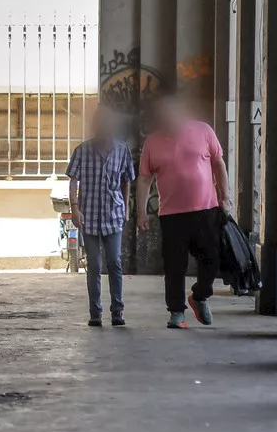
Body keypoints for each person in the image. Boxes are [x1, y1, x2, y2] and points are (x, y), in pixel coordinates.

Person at [136, 95, 233, 329]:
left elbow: (218, 164)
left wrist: (226, 197)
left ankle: (199, 296)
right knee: (174, 265)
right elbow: (144, 179)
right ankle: (177, 312)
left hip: (206, 210)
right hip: (172, 215)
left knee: (212, 259)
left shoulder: (204, 131)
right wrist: (141, 212)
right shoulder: (153, 142)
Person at [65, 106, 136, 327]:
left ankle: (118, 311)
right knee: (94, 265)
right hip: (90, 217)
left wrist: (125, 208)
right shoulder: (82, 151)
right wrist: (75, 207)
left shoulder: (122, 150)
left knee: (114, 263)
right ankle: (95, 312)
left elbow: (127, 181)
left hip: (113, 216)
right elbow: (73, 180)